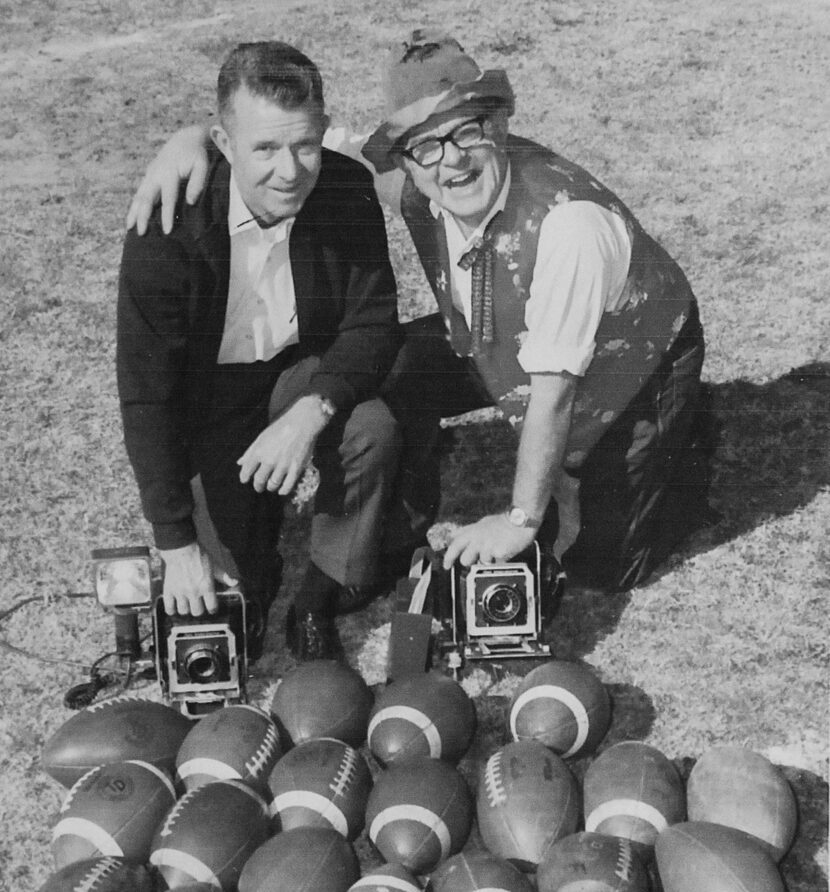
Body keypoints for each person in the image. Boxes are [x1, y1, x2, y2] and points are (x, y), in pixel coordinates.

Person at [128, 30, 715, 595]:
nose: (451, 162)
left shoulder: (569, 229)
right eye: (426, 145)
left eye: (469, 132)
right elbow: (295, 141)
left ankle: (682, 440)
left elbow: (554, 395)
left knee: (599, 566)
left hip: (631, 364)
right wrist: (190, 141)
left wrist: (520, 518)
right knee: (385, 370)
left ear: (500, 123)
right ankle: (394, 522)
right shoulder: (408, 176)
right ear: (404, 158)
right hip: (495, 337)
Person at [117, 41, 402, 663]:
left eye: (304, 144)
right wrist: (175, 543)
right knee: (225, 607)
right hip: (208, 404)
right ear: (222, 141)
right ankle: (251, 548)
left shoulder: (347, 187)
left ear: (324, 131)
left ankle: (321, 593)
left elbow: (373, 322)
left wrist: (314, 411)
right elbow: (147, 395)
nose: (291, 169)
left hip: (296, 379)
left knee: (370, 429)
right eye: (265, 148)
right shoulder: (167, 225)